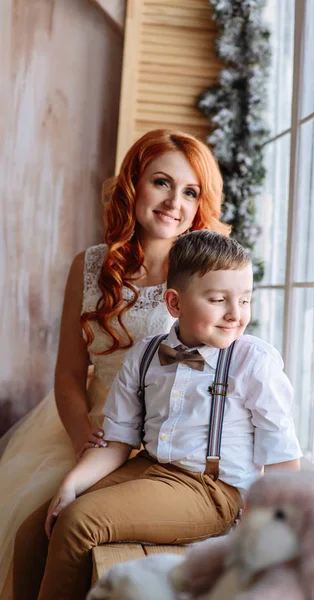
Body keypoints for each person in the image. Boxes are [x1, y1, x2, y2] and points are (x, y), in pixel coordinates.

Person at [0, 129, 230, 600]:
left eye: (191, 192)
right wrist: (83, 435)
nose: (174, 202)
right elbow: (68, 372)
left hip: (160, 439)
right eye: (162, 182)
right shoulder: (89, 266)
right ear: (133, 184)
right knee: (28, 535)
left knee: (66, 530)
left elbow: (222, 376)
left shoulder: (208, 275)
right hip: (90, 428)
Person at [13, 230, 302, 600]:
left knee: (78, 523)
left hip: (210, 489)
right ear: (174, 303)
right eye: (219, 299)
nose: (236, 314)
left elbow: (282, 456)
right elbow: (117, 441)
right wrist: (72, 483)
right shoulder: (147, 355)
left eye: (245, 300)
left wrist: (273, 529)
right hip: (145, 468)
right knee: (34, 530)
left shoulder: (253, 363)